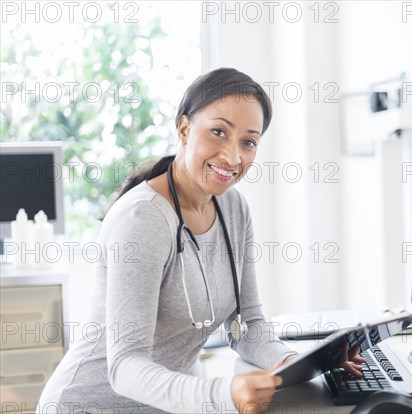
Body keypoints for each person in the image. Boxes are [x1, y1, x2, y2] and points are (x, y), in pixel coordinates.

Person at [38, 68, 364, 414]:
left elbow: (248, 326)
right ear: (183, 128)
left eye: (248, 142)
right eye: (219, 132)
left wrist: (300, 361)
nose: (233, 157)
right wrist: (223, 393)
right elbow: (124, 367)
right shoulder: (142, 220)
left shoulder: (233, 208)